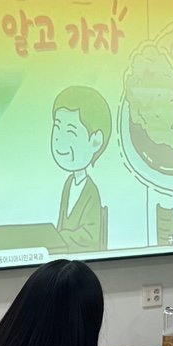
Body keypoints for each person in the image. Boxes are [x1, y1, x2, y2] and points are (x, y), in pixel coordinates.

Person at [52, 84, 112, 252]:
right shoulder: (69, 183)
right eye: (57, 128)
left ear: (96, 141)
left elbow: (90, 237)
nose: (59, 139)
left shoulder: (91, 191)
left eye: (70, 132)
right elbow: (61, 223)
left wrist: (59, 238)